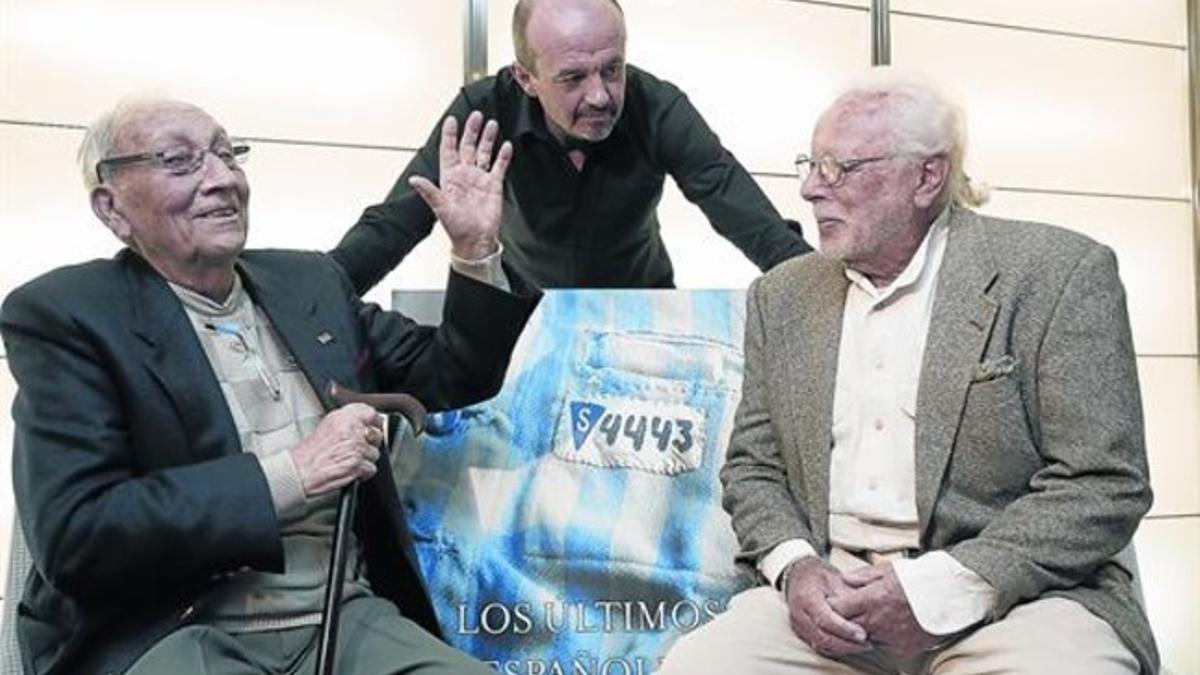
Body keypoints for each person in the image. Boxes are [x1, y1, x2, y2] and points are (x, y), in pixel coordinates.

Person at [0, 99, 540, 675]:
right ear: (112, 206)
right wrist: (294, 474)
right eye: (180, 161)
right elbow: (80, 535)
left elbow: (451, 376)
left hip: (342, 615)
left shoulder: (305, 282)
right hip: (175, 628)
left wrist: (475, 251)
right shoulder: (68, 316)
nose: (222, 178)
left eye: (229, 154)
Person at [657, 70, 1159, 674]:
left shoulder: (1058, 273)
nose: (812, 190)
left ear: (927, 176)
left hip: (1018, 600)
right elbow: (752, 466)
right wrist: (795, 567)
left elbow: (1104, 483)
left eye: (840, 168)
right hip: (832, 601)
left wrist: (941, 588)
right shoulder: (781, 296)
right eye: (810, 165)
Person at [331, 0, 811, 292]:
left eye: (613, 68)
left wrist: (827, 295)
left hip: (641, 305)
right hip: (525, 313)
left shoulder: (657, 105)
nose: (601, 95)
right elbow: (393, 224)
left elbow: (744, 213)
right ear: (526, 78)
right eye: (573, 78)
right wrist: (303, 305)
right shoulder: (484, 110)